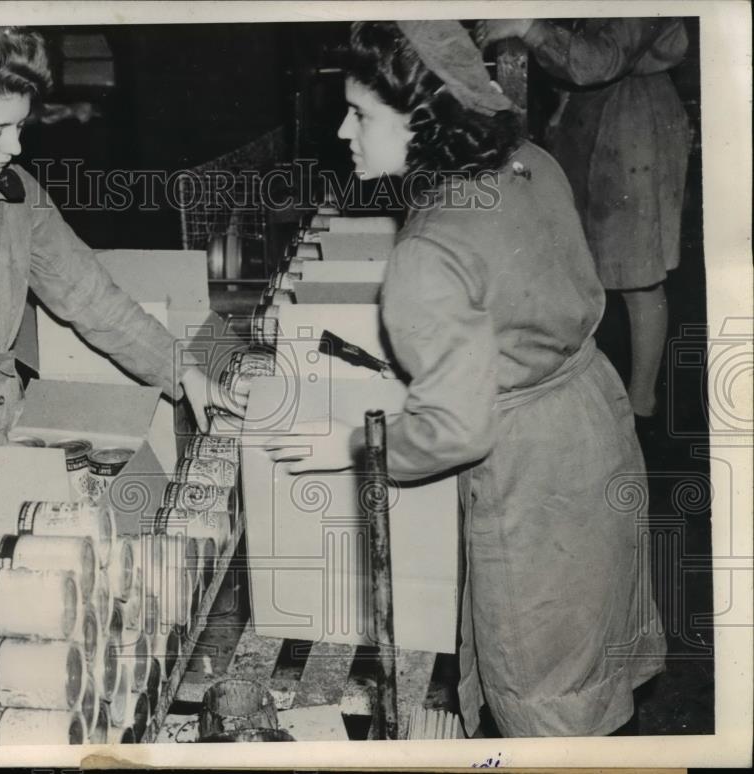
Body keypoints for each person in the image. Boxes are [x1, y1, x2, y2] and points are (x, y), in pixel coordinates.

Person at [266, 20, 665, 737]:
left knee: (544, 693)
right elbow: (519, 301)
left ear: (423, 121)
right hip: (596, 425)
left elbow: (458, 426)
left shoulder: (425, 252)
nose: (341, 134)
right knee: (593, 666)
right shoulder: (528, 162)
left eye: (361, 114)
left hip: (531, 475)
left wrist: (363, 444)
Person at [0, 27, 242, 668]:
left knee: (21, 638)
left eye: (22, 127)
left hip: (5, 425)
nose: (17, 146)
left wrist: (185, 373)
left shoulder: (17, 195)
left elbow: (89, 294)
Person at [473, 18, 691, 430]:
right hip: (586, 112)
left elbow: (599, 60)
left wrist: (524, 23)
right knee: (582, 261)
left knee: (638, 274)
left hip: (634, 120)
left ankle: (641, 404)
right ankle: (588, 389)